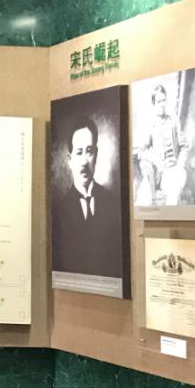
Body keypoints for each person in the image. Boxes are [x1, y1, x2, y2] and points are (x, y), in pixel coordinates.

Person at [52, 117, 120, 276]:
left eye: (89, 151)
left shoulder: (113, 205)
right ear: (70, 159)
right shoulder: (58, 213)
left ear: (96, 155)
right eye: (79, 152)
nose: (84, 161)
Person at [137, 83, 189, 206]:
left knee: (174, 190)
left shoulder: (173, 121)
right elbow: (141, 152)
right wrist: (156, 160)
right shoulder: (150, 125)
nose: (162, 104)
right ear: (153, 104)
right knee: (142, 196)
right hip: (160, 171)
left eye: (164, 100)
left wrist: (180, 164)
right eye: (159, 101)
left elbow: (184, 147)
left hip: (175, 169)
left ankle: (171, 216)